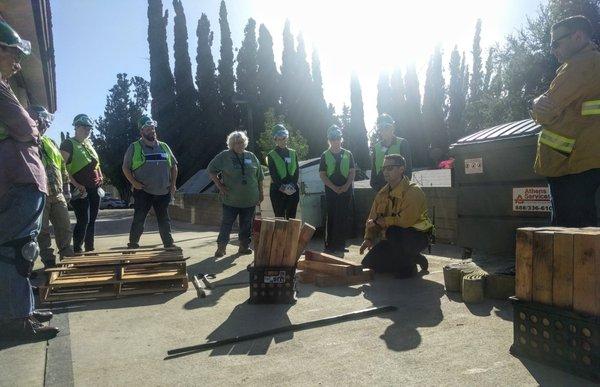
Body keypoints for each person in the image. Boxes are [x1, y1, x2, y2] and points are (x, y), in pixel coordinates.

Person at [0, 20, 58, 340]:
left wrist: (27, 130)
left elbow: (25, 127)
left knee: (20, 249)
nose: (17, 62)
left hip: (20, 181)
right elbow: (25, 128)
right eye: (12, 53)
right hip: (16, 180)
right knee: (16, 251)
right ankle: (16, 320)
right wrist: (29, 130)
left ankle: (23, 308)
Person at [531, 15, 600, 227]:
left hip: (571, 165)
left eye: (556, 43)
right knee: (583, 234)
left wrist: (534, 104)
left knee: (567, 237)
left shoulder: (580, 65)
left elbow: (544, 112)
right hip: (582, 162)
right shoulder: (592, 63)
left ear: (578, 37)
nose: (553, 49)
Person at [360, 154, 433, 278]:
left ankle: (408, 266)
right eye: (384, 168)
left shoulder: (413, 192)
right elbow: (372, 218)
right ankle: (415, 258)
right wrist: (368, 238)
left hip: (418, 236)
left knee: (394, 232)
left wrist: (382, 222)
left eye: (390, 168)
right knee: (368, 264)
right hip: (393, 238)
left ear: (401, 169)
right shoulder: (382, 194)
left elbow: (405, 221)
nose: (385, 171)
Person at [27, 105, 74, 269]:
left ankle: (67, 258)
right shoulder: (26, 140)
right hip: (39, 195)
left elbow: (61, 167)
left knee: (65, 228)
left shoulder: (50, 142)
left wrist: (67, 190)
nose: (47, 124)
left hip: (57, 194)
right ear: (35, 119)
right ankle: (49, 262)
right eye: (44, 120)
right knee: (42, 232)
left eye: (47, 121)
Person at [122, 115, 178, 249]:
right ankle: (133, 244)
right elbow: (125, 167)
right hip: (143, 191)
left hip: (163, 190)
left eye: (152, 128)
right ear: (141, 131)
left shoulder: (164, 146)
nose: (151, 131)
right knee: (139, 219)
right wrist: (133, 182)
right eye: (148, 129)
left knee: (164, 219)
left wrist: (173, 184)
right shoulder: (134, 147)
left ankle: (169, 244)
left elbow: (174, 166)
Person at [208, 131, 264, 257]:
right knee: (227, 224)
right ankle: (221, 248)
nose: (240, 145)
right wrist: (220, 186)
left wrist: (261, 193)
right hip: (230, 200)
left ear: (245, 143)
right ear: (231, 144)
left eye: (242, 142)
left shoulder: (251, 156)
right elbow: (211, 170)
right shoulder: (224, 156)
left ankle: (244, 247)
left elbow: (260, 177)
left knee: (246, 225)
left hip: (250, 199)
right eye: (236, 143)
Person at [60, 114, 103, 253]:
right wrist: (76, 184)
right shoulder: (68, 144)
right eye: (85, 127)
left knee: (92, 220)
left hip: (94, 187)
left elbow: (96, 163)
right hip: (79, 189)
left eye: (89, 127)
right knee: (84, 219)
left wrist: (100, 175)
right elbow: (62, 167)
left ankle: (90, 248)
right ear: (76, 127)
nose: (88, 130)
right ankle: (78, 249)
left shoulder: (88, 144)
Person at [319, 125, 356, 255]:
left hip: (346, 190)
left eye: (338, 138)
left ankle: (340, 244)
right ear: (329, 140)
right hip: (331, 190)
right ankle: (329, 245)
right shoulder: (325, 155)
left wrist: (346, 186)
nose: (336, 141)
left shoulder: (348, 154)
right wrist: (333, 187)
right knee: (331, 217)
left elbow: (352, 172)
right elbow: (322, 174)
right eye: (333, 138)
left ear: (341, 139)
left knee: (343, 217)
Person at [370, 113, 412, 191]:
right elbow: (374, 172)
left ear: (393, 128)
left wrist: (400, 189)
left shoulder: (402, 143)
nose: (384, 131)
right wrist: (379, 189)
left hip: (399, 189)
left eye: (387, 127)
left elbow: (408, 170)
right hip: (382, 190)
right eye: (381, 128)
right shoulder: (376, 147)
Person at [266, 124, 300, 219]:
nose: (282, 140)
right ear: (275, 139)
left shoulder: (293, 153)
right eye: (279, 138)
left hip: (292, 188)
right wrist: (283, 188)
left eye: (284, 137)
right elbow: (274, 175)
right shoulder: (271, 155)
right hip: (278, 189)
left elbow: (296, 171)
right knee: (280, 219)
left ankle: (291, 234)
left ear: (287, 138)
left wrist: (292, 185)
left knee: (291, 218)